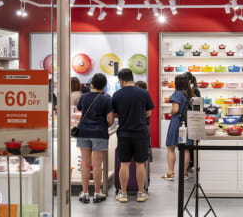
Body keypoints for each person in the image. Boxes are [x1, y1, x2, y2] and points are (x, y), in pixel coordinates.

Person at [111, 68, 154, 203]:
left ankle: (123, 193)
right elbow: (148, 113)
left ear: (121, 80)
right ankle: (141, 193)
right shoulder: (143, 93)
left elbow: (115, 114)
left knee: (124, 163)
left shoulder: (117, 95)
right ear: (132, 78)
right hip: (141, 133)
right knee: (140, 163)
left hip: (124, 133)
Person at [76, 73, 114, 204]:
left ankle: (85, 193)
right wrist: (103, 125)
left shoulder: (84, 97)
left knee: (85, 164)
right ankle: (97, 193)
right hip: (99, 133)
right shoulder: (107, 99)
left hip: (84, 132)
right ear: (104, 85)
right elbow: (110, 119)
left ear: (92, 84)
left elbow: (79, 109)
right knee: (97, 165)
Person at [161, 74, 192, 181]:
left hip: (176, 122)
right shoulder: (188, 94)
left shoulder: (177, 94)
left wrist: (170, 112)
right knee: (186, 149)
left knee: (171, 147)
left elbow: (175, 109)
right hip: (187, 123)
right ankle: (183, 174)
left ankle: (170, 173)